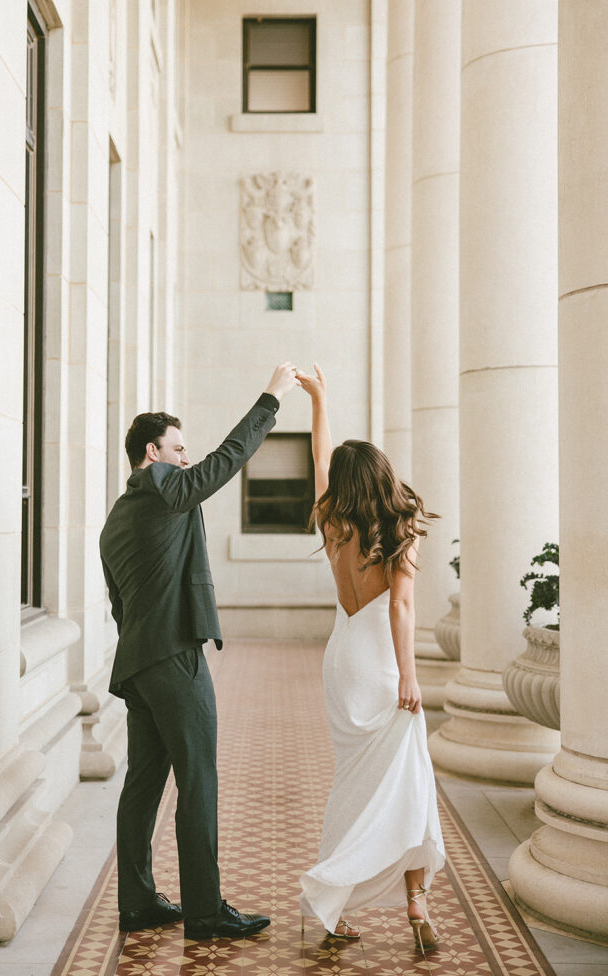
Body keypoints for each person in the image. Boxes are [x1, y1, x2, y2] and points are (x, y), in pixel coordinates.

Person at [100, 363, 299, 940]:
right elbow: (222, 464)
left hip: (138, 661)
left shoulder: (118, 516)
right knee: (199, 778)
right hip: (171, 657)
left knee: (142, 784)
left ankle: (137, 902)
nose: (185, 459)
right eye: (177, 449)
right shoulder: (162, 489)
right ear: (150, 453)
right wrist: (271, 398)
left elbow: (118, 602)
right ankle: (206, 913)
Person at [297, 364, 445, 955]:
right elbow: (401, 609)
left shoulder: (333, 521)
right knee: (411, 780)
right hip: (383, 663)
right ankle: (416, 901)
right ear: (384, 476)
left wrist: (320, 401)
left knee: (354, 784)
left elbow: (319, 457)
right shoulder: (398, 528)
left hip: (342, 660)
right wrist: (410, 674)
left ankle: (333, 903)